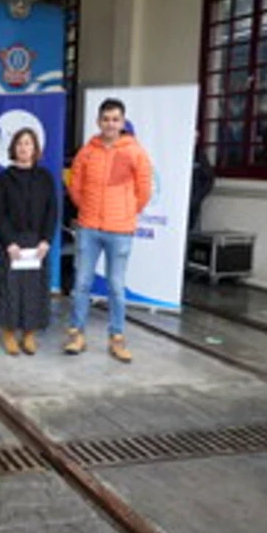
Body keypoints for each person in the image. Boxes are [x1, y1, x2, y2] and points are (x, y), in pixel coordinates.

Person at [67, 98, 152, 362]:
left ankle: (117, 337)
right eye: (106, 119)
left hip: (120, 230)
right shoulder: (87, 152)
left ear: (122, 122)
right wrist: (87, 209)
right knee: (81, 283)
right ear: (98, 121)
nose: (110, 124)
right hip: (89, 228)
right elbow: (75, 184)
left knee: (116, 286)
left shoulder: (134, 152)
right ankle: (76, 333)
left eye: (115, 119)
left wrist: (126, 213)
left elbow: (144, 190)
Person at [0, 128, 57, 356]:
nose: (23, 148)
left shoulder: (45, 178)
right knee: (10, 290)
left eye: (28, 143)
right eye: (19, 144)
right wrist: (9, 242)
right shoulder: (3, 179)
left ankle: (29, 334)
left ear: (35, 148)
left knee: (33, 290)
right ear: (13, 149)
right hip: (12, 244)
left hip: (37, 244)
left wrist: (46, 240)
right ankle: (8, 332)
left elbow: (52, 211)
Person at [189, 132, 215, 232]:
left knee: (191, 233)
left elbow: (208, 179)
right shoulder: (176, 154)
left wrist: (197, 198)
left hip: (192, 206)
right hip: (175, 204)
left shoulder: (199, 155)